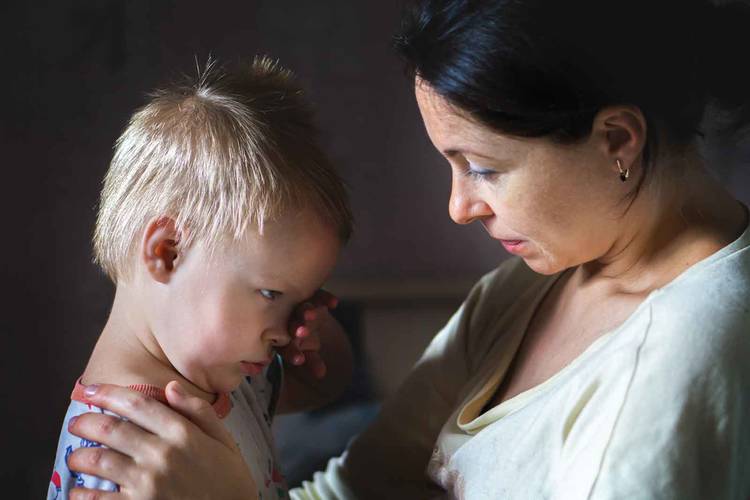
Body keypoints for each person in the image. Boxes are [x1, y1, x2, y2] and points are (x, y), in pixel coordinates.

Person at [63, 0, 750, 498]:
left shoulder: (685, 355)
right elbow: (357, 487)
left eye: (482, 165)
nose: (459, 207)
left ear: (617, 141)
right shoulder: (538, 282)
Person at [47, 57, 355, 500]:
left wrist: (312, 338)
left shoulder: (224, 369)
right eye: (272, 294)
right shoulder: (120, 456)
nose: (284, 327)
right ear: (168, 252)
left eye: (300, 302)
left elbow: (327, 384)